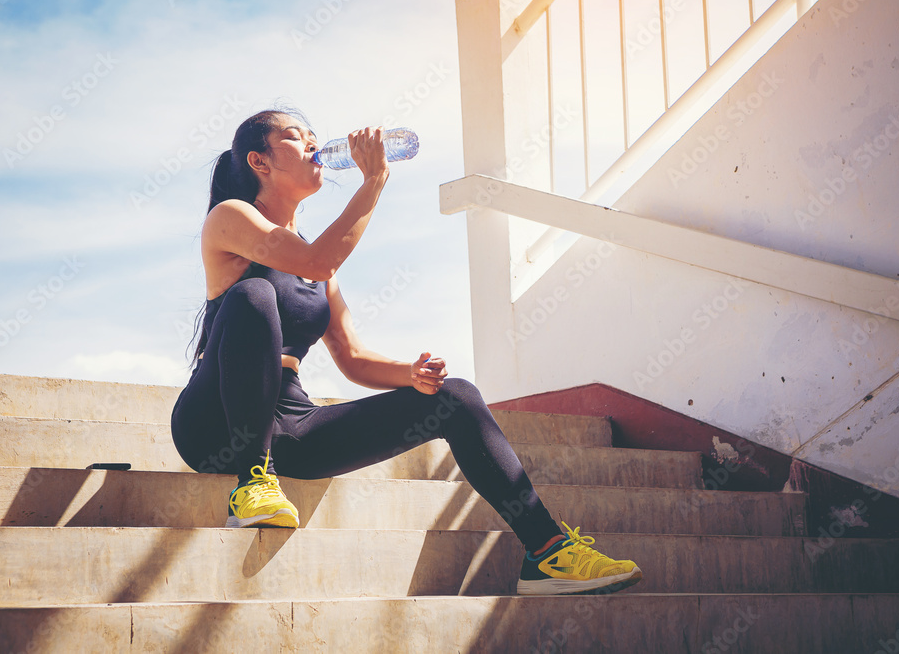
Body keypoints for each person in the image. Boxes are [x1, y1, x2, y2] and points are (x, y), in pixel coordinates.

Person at [169, 108, 643, 596]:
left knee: (454, 396)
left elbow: (352, 357)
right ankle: (251, 482)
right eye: (295, 137)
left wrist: (411, 374)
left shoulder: (317, 261)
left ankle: (547, 552)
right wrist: (374, 180)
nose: (314, 144)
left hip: (292, 424)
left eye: (314, 135)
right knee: (255, 295)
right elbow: (316, 259)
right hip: (216, 421)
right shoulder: (229, 219)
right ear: (260, 162)